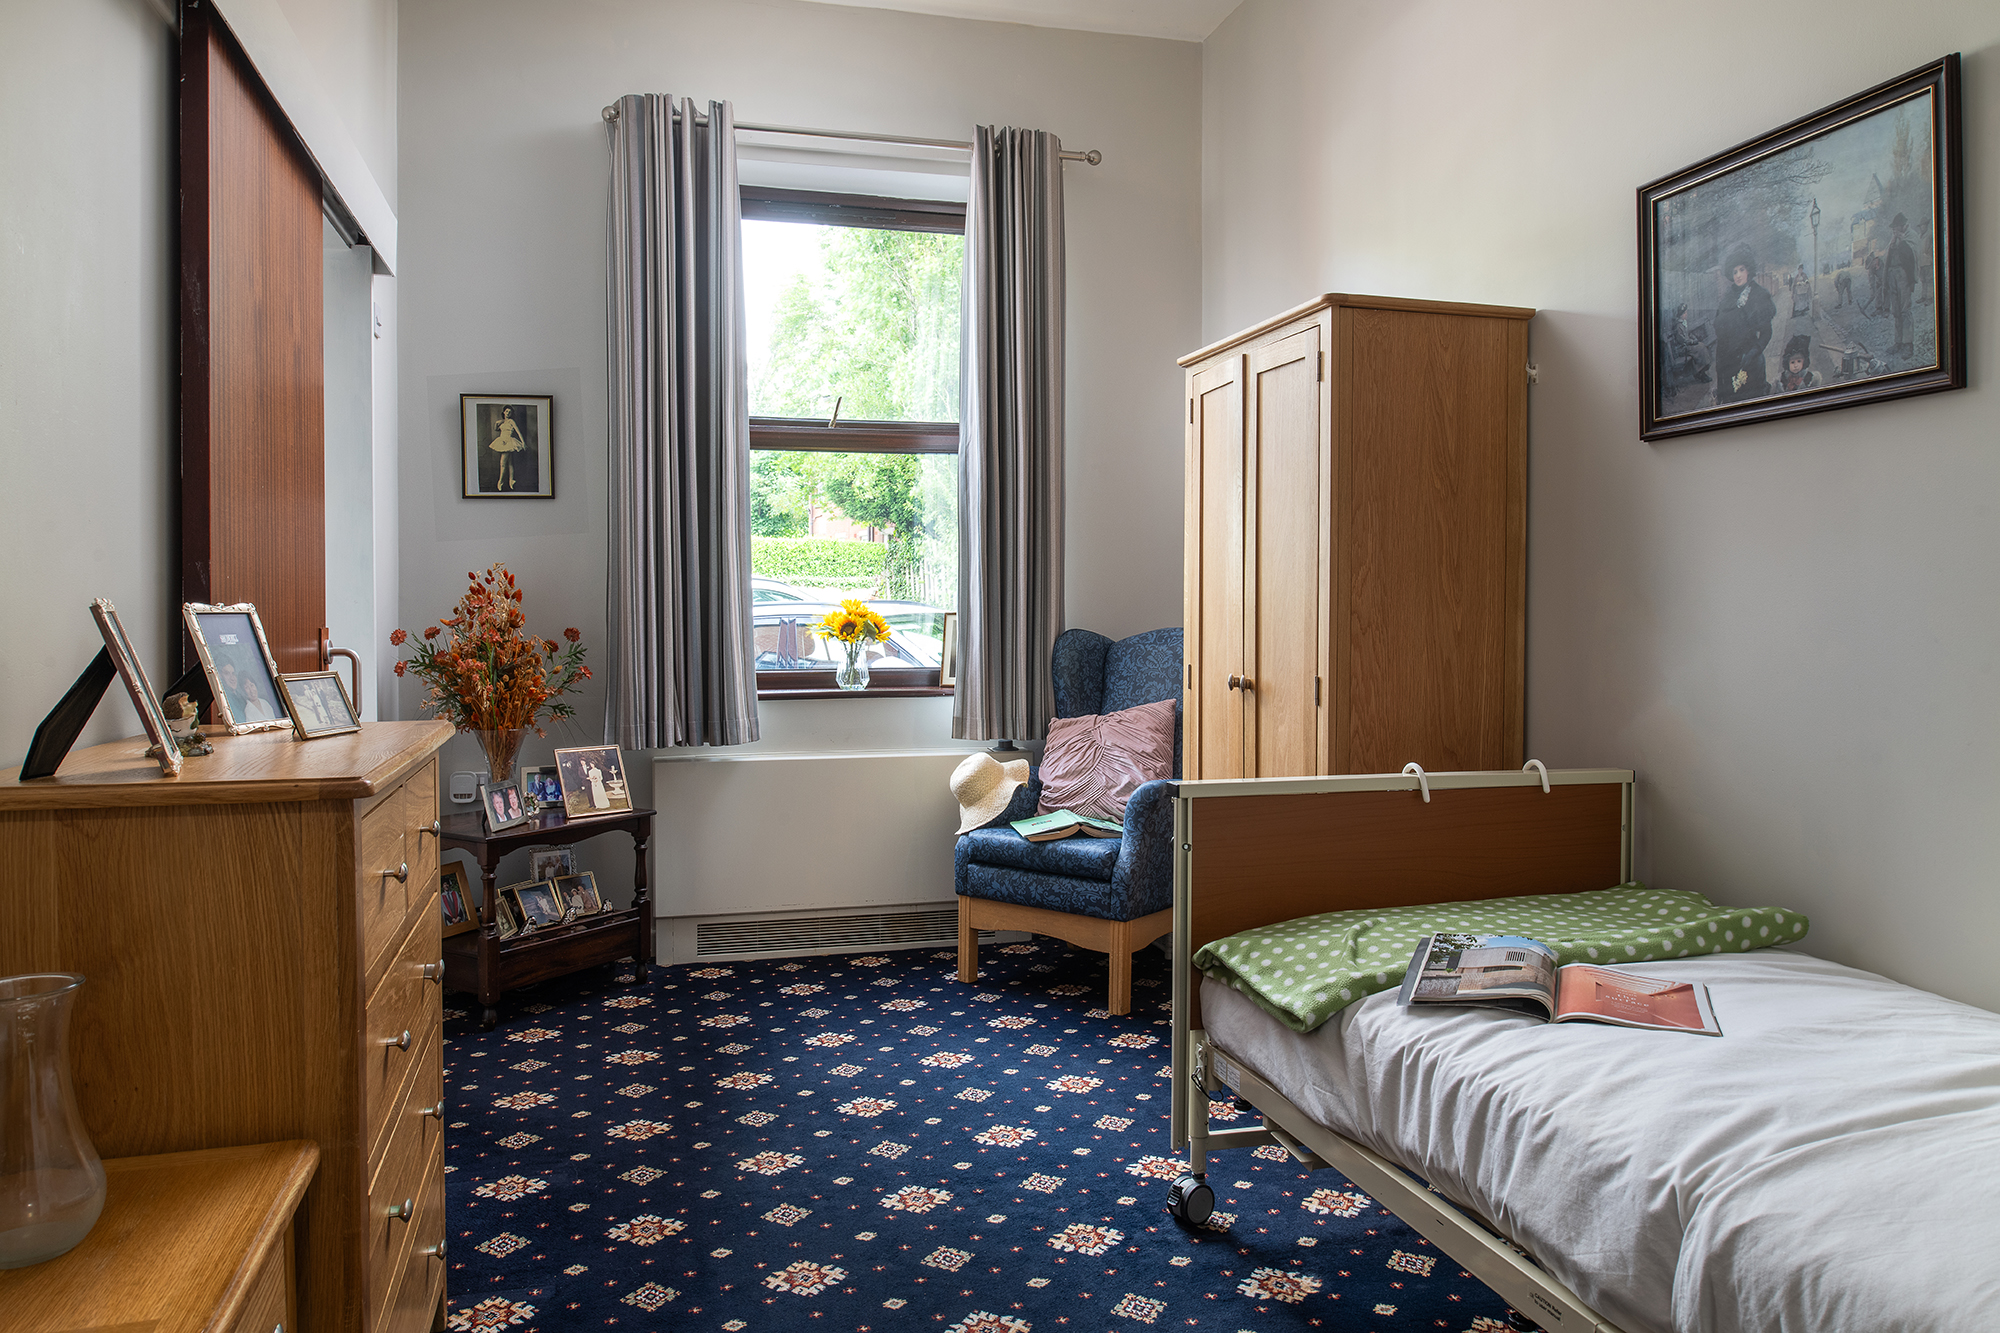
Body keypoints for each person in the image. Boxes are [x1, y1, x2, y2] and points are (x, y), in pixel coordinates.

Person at [1711, 247, 1777, 404]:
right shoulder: (1727, 298)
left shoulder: (1759, 295)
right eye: (1735, 272)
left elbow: (1767, 333)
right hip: (1727, 363)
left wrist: (1753, 352)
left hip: (1750, 362)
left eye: (1741, 270)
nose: (1738, 275)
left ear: (1749, 271)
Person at [1883, 213, 1917, 358]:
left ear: (1903, 226)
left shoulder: (1909, 238)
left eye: (1897, 228)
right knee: (1896, 311)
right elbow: (1887, 260)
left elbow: (1912, 258)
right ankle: (1898, 342)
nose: (1895, 230)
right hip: (1892, 276)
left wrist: (1901, 241)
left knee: (1905, 311)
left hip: (1903, 276)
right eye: (1893, 228)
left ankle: (1908, 344)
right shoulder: (1893, 241)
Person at [487, 406, 528, 491]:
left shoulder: (511, 421)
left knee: (502, 463)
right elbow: (496, 429)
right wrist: (497, 423)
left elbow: (518, 431)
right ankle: (511, 480)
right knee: (509, 463)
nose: (508, 413)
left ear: (511, 414)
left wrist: (523, 442)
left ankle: (500, 481)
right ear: (504, 413)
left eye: (510, 412)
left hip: (508, 441)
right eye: (506, 411)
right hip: (502, 440)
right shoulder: (503, 422)